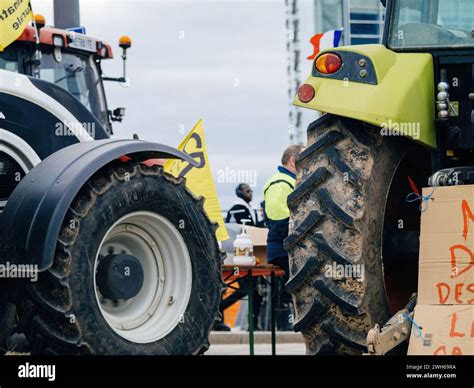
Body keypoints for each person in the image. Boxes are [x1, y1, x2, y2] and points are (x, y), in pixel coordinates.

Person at [263, 144, 305, 330]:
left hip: (287, 247)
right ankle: (291, 322)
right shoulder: (279, 183)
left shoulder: (290, 182)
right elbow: (278, 220)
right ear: (293, 161)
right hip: (281, 250)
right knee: (298, 285)